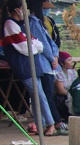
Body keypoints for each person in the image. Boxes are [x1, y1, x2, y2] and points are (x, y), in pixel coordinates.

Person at [2, 0, 56, 135]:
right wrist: (34, 46)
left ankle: (42, 124)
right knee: (39, 95)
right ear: (17, 10)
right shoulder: (10, 25)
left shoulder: (22, 25)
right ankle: (50, 123)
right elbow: (27, 48)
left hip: (32, 65)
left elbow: (39, 44)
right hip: (24, 66)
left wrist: (34, 45)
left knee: (37, 96)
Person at [27, 4, 66, 134]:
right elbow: (43, 44)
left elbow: (52, 43)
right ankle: (54, 122)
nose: (47, 10)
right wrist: (52, 58)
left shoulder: (42, 22)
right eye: (45, 7)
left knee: (47, 95)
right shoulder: (33, 23)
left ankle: (50, 122)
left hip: (49, 63)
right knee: (46, 96)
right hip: (43, 64)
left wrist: (55, 56)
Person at [54, 50, 76, 120]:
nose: (71, 62)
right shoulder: (58, 73)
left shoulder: (72, 72)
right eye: (69, 60)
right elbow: (60, 90)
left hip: (71, 92)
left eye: (71, 60)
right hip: (63, 95)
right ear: (62, 63)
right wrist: (71, 94)